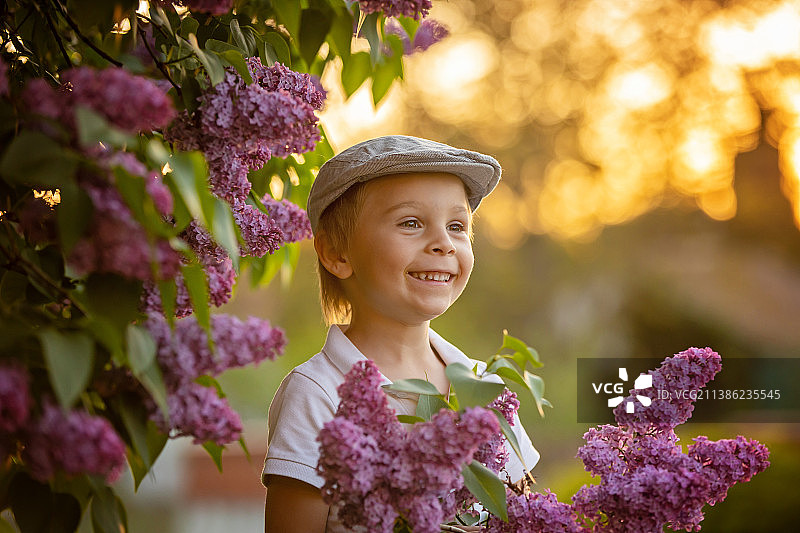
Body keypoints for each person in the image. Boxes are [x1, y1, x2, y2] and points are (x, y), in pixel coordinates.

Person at [262, 135, 539, 532]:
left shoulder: (486, 387)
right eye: (411, 223)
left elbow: (527, 516)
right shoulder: (317, 393)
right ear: (336, 253)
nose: (443, 243)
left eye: (457, 226)